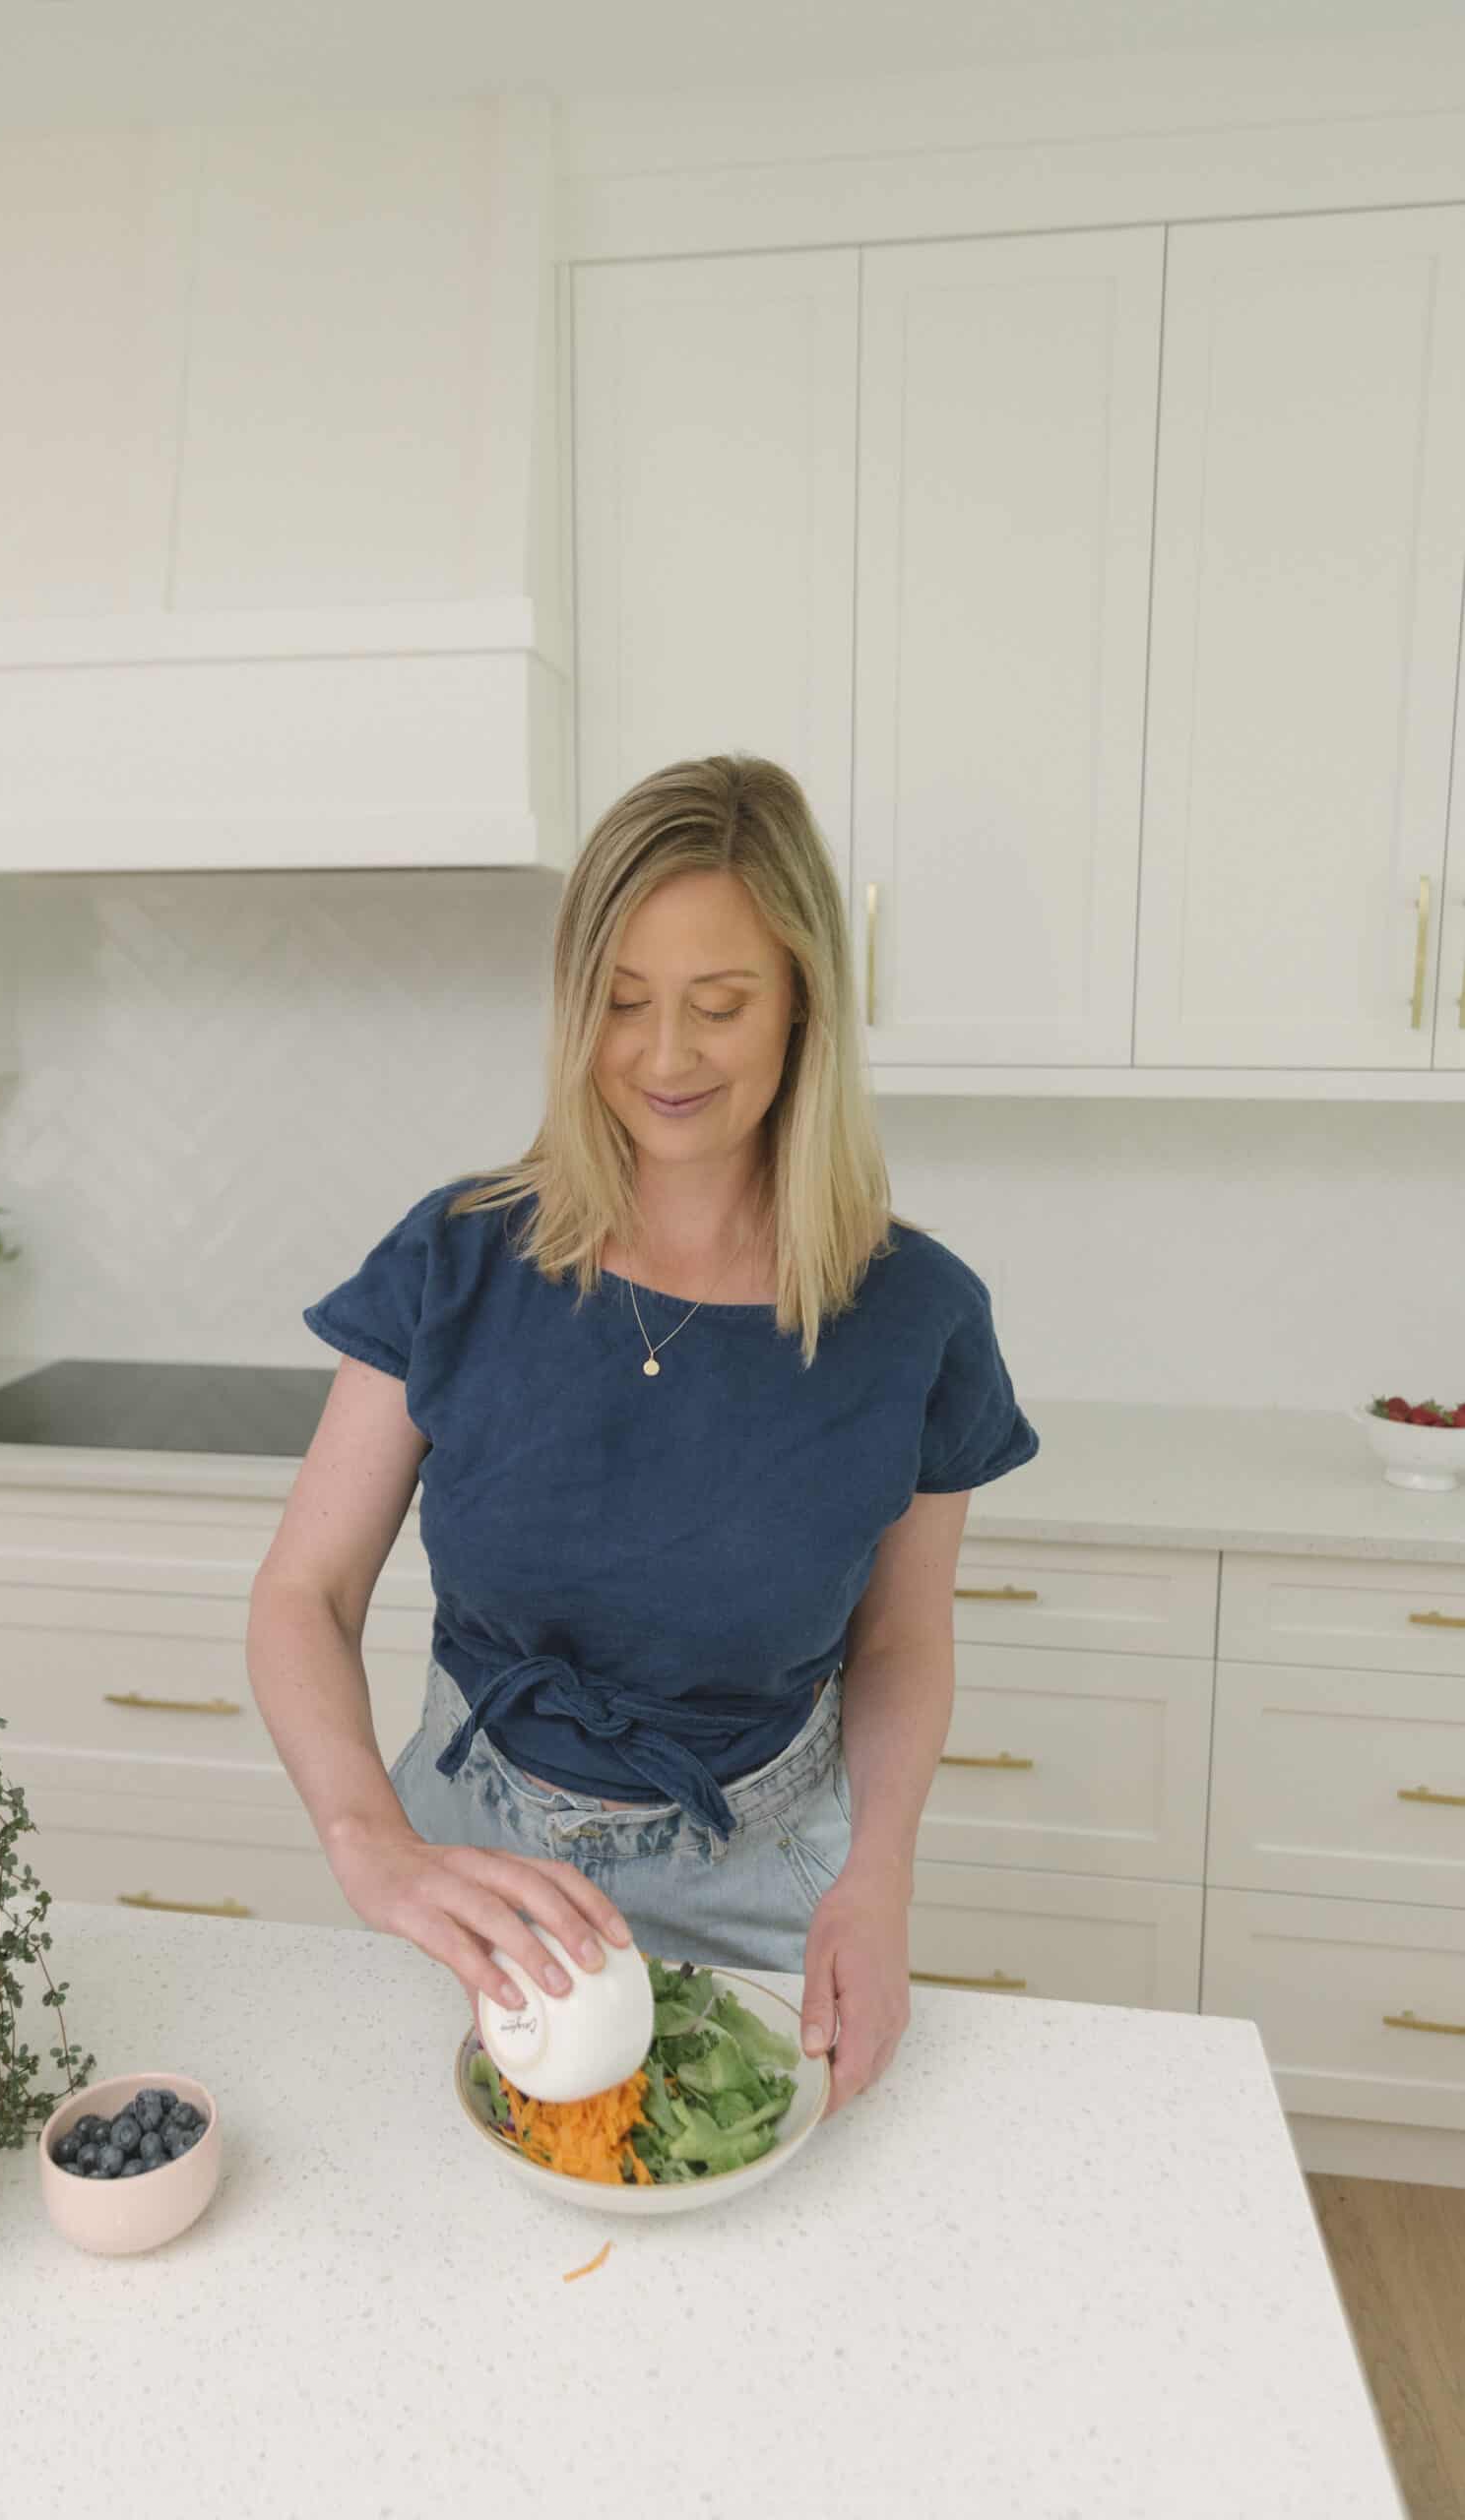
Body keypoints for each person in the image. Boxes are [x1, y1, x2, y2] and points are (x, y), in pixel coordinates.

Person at [246, 753, 1040, 2115]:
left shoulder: (916, 1314)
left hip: (763, 1876)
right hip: (468, 1872)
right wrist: (367, 1839)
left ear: (802, 1007)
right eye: (620, 1003)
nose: (663, 1057)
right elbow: (303, 1592)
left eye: (718, 1005)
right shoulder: (458, 1257)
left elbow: (901, 1639)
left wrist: (880, 1875)